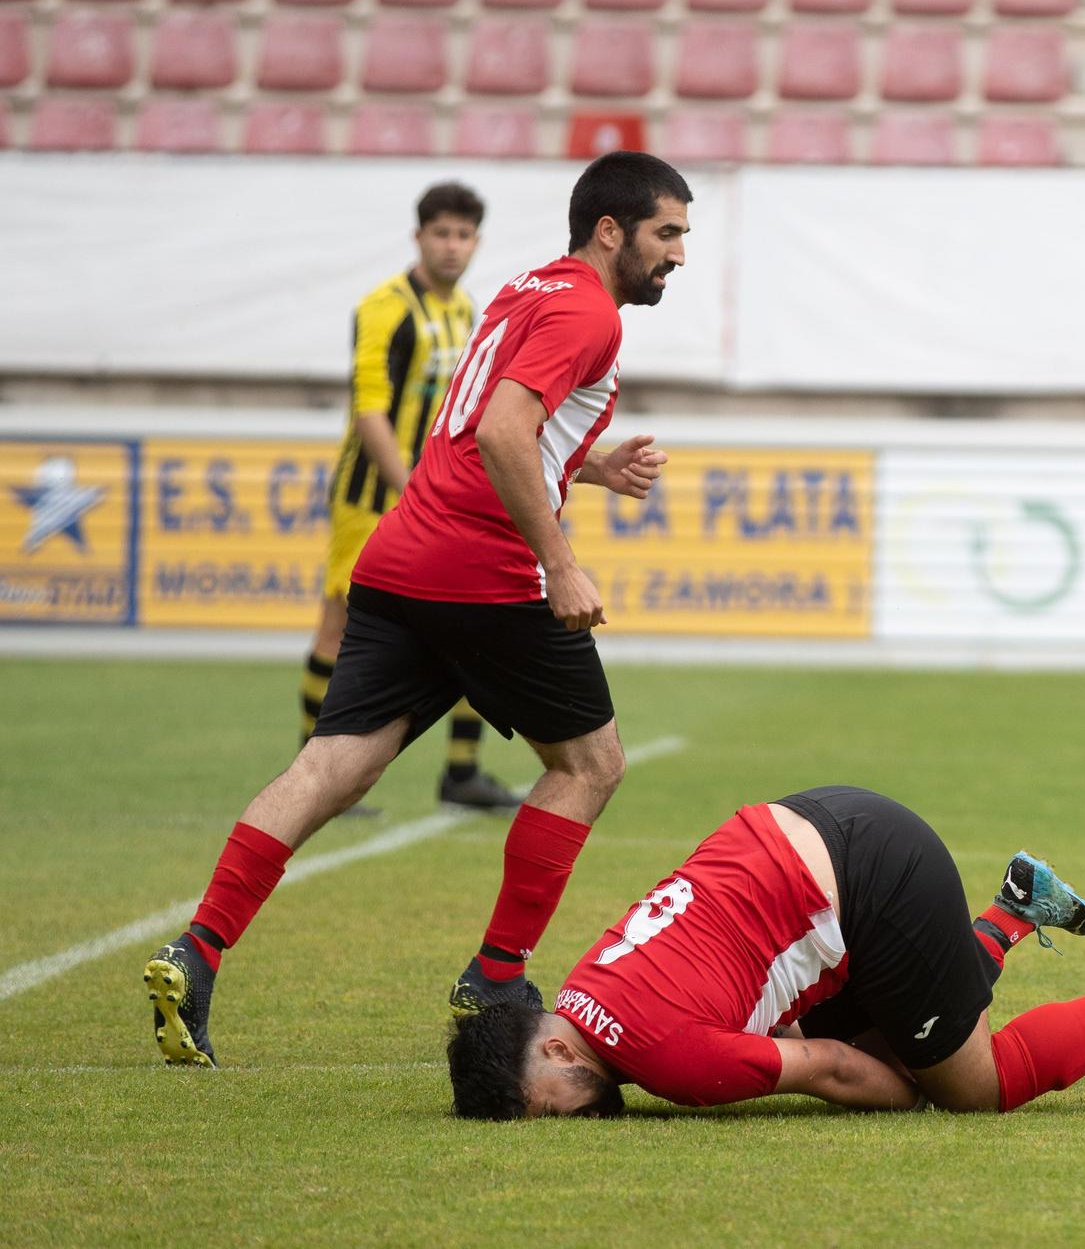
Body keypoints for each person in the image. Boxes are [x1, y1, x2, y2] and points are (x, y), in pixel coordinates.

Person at [143, 152, 693, 1067]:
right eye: (667, 234)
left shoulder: (528, 286)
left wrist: (589, 465)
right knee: (592, 764)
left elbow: (490, 419)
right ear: (611, 231)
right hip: (485, 573)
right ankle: (497, 974)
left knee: (332, 766)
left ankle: (194, 951)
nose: (677, 254)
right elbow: (501, 430)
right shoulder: (591, 310)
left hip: (400, 557)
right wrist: (559, 561)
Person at [445, 785, 1085, 1118]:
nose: (566, 1117)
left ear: (551, 1043)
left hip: (874, 880)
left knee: (974, 1085)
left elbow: (829, 1065)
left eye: (544, 1101)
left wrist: (914, 1094)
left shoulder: (666, 1061)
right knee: (904, 1038)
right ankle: (1011, 912)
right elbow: (772, 1009)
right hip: (817, 826)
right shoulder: (589, 980)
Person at [303, 180, 522, 815]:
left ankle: (461, 773)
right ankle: (313, 772)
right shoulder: (384, 308)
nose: (452, 247)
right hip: (374, 495)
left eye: (463, 235)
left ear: (476, 242)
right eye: (441, 234)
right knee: (338, 626)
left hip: (434, 499)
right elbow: (369, 409)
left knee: (469, 615)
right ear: (418, 237)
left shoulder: (465, 311)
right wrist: (410, 488)